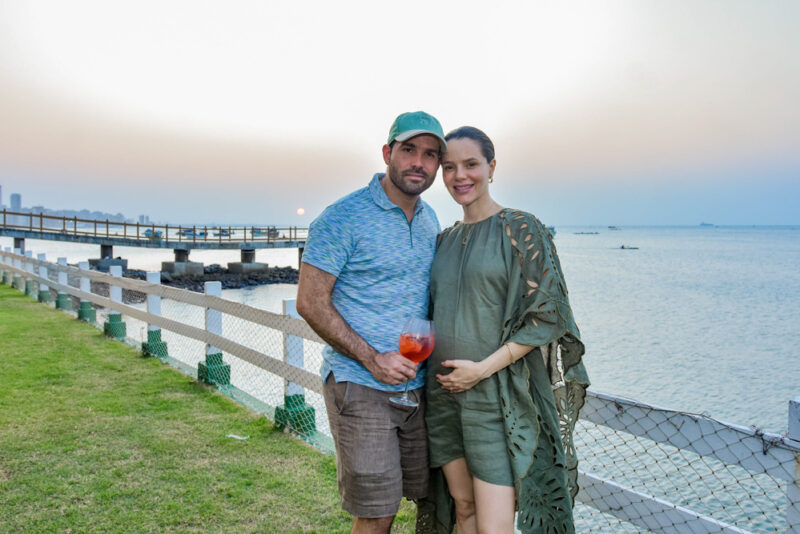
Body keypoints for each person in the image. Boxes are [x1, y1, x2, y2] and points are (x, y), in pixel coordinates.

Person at [420, 126, 589, 534]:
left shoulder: (521, 228)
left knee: (495, 526)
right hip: (441, 397)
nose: (460, 176)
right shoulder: (444, 239)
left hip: (495, 398)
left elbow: (547, 314)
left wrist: (480, 370)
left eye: (471, 164)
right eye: (449, 167)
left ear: (491, 167)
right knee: (463, 509)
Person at [296, 111, 446, 534]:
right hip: (360, 384)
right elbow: (309, 302)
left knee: (418, 499)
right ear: (387, 153)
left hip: (416, 387)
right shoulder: (343, 217)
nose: (418, 162)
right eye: (409, 150)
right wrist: (372, 358)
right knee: (377, 513)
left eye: (430, 154)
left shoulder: (431, 219)